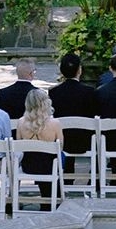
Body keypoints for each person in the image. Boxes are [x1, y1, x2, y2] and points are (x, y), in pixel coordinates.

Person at [48, 53, 97, 181]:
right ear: (79, 70)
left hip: (62, 140)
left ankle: (67, 172)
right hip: (86, 141)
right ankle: (94, 177)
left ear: (62, 71)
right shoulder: (89, 92)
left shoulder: (53, 92)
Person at [15, 88, 62, 198]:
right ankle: (52, 197)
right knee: (58, 158)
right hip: (49, 167)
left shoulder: (21, 122)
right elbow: (60, 147)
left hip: (28, 165)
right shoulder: (55, 123)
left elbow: (18, 146)